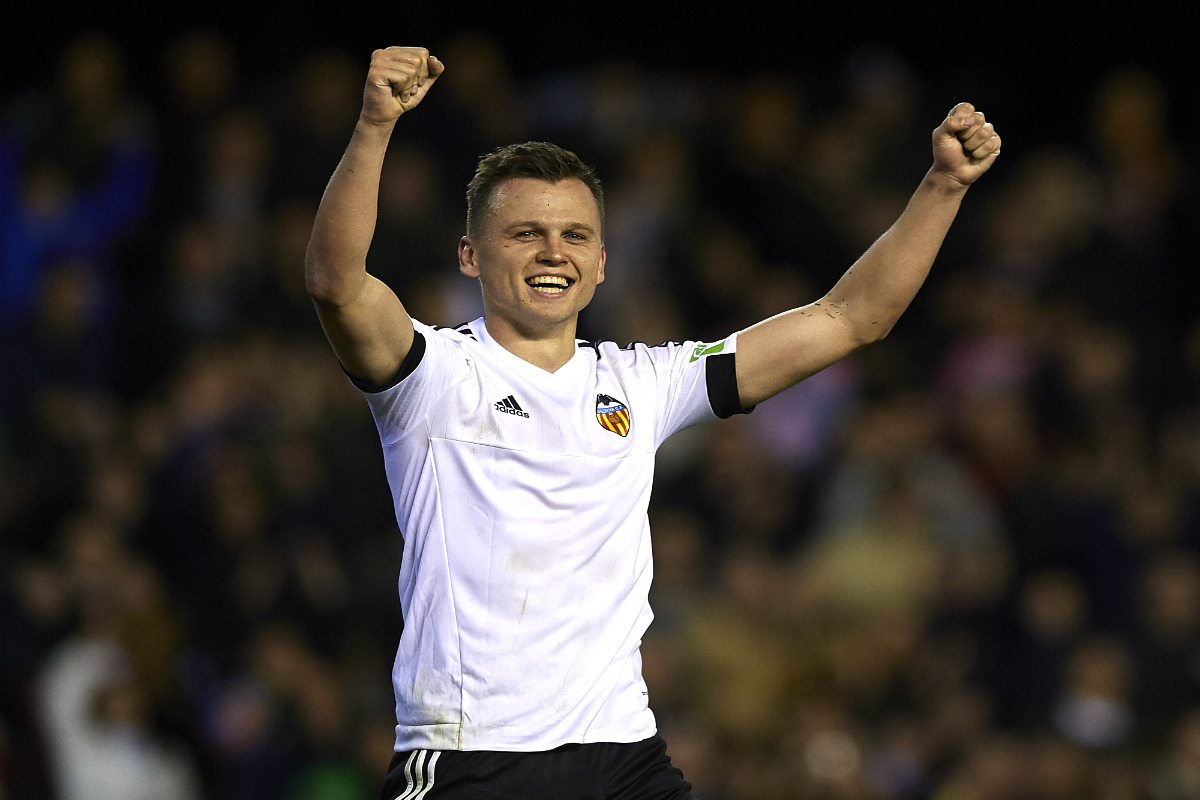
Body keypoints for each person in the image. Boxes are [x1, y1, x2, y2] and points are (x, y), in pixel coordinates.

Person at [305, 46, 1001, 799]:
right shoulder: (433, 375)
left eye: (574, 235)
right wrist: (377, 123)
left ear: (602, 263)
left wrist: (941, 186)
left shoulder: (641, 381)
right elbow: (336, 284)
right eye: (524, 233)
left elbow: (850, 317)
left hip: (622, 756)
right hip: (476, 760)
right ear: (471, 256)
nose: (552, 252)